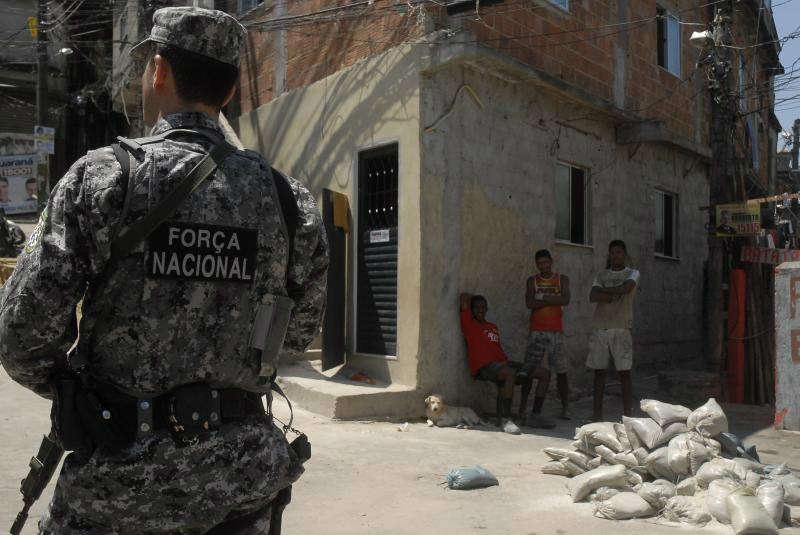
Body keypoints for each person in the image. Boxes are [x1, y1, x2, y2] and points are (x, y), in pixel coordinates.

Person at [0, 7, 329, 535]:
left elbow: (21, 335)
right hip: (242, 490)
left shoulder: (103, 178)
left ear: (159, 70)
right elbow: (300, 334)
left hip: (118, 491)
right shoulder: (292, 204)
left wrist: (76, 396)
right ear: (227, 92)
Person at [459, 293, 554, 433]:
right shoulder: (469, 324)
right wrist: (473, 298)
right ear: (471, 310)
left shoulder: (493, 326)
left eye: (483, 307)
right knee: (510, 373)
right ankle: (506, 419)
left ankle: (535, 415)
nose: (480, 310)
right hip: (484, 367)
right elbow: (463, 298)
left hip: (503, 363)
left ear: (487, 309)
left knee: (544, 373)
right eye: (476, 307)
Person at [587, 240, 639, 422]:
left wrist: (605, 292)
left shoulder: (632, 273)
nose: (615, 255)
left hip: (622, 326)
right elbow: (593, 296)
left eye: (618, 252)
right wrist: (614, 292)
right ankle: (597, 415)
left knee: (624, 373)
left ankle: (628, 416)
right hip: (600, 326)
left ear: (625, 254)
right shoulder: (601, 274)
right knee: (599, 372)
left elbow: (627, 289)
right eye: (612, 252)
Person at [525, 249, 571, 420]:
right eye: (539, 263)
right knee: (528, 370)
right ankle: (523, 408)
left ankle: (565, 408)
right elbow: (529, 303)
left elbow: (565, 300)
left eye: (545, 262)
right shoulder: (532, 280)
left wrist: (542, 296)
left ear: (551, 261)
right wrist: (553, 298)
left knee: (561, 372)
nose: (543, 266)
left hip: (556, 332)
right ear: (536, 264)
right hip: (536, 332)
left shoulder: (562, 279)